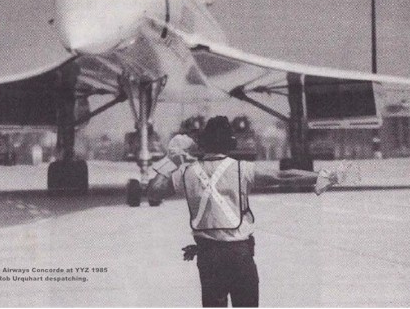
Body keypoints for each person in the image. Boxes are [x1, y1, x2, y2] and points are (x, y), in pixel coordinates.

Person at [148, 116, 349, 307]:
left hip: (208, 256)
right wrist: (324, 176)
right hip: (240, 255)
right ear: (230, 144)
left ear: (203, 144)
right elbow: (284, 176)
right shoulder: (242, 169)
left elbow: (153, 193)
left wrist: (171, 159)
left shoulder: (187, 172)